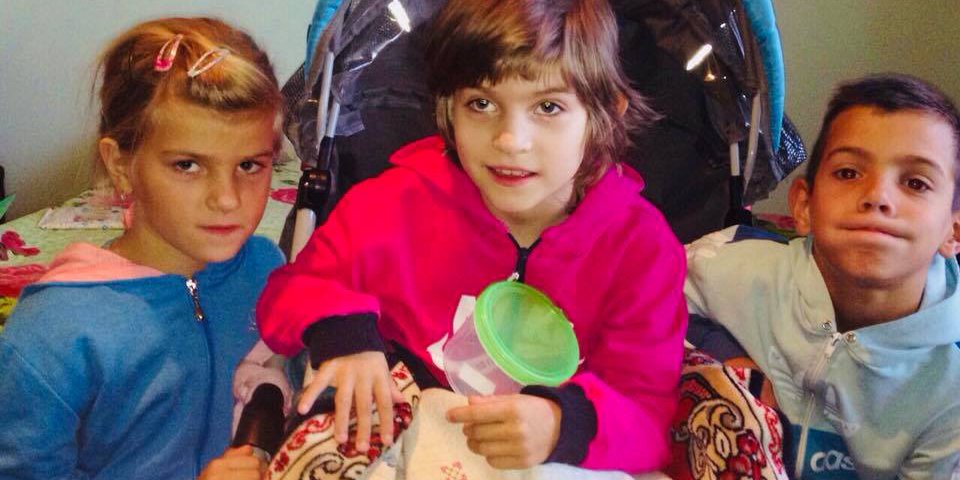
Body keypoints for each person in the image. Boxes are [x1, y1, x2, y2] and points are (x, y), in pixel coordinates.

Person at [256, 0, 687, 473]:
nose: (510, 140)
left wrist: (564, 424)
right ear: (446, 107)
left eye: (548, 107)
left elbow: (646, 413)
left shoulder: (641, 249)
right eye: (481, 104)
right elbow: (289, 292)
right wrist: (345, 336)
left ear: (607, 112)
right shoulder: (391, 205)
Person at [0, 17, 285, 479]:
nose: (227, 199)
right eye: (187, 165)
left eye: (250, 165)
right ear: (121, 165)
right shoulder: (57, 331)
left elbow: (288, 382)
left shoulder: (268, 270)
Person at [684, 73, 960, 479]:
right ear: (804, 206)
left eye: (915, 182)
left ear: (954, 232)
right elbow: (643, 298)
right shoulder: (732, 267)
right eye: (849, 173)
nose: (878, 196)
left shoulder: (949, 390)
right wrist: (726, 359)